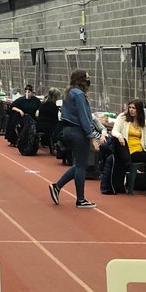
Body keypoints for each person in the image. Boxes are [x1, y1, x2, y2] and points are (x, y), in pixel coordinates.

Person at [48, 70, 102, 209]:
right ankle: (80, 199)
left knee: (79, 164)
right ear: (82, 79)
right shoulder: (79, 95)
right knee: (81, 166)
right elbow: (84, 117)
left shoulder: (70, 92)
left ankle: (57, 186)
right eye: (87, 77)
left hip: (69, 130)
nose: (89, 79)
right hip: (78, 131)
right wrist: (93, 137)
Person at [108, 100, 146, 193]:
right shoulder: (123, 118)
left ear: (139, 110)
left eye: (134, 108)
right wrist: (120, 136)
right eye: (130, 108)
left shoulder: (143, 122)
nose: (131, 110)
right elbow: (114, 131)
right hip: (129, 151)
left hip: (140, 149)